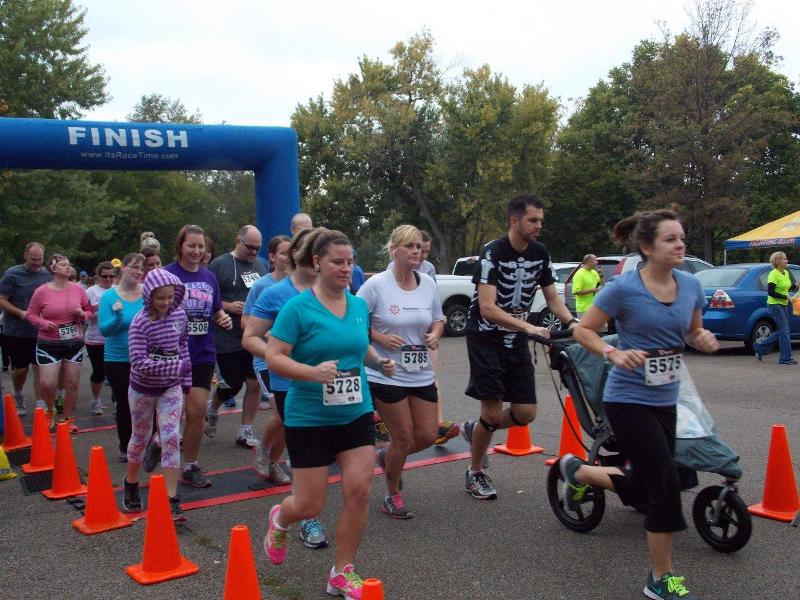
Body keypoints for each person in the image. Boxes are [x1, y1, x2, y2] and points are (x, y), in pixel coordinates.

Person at [565, 209, 719, 600]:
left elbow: (693, 330)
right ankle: (660, 578)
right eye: (670, 239)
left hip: (666, 399)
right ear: (647, 248)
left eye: (681, 237)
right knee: (666, 483)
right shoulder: (623, 289)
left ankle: (579, 473)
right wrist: (612, 353)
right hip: (626, 400)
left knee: (645, 484)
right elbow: (583, 330)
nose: (680, 244)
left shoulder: (690, 286)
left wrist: (701, 338)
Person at [263, 229, 395, 599]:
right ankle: (281, 518)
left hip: (355, 411)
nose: (346, 268)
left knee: (359, 490)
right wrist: (310, 372)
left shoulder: (357, 305)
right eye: (338, 261)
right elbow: (273, 356)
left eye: (350, 262)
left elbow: (359, 345)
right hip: (309, 417)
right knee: (310, 504)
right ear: (317, 262)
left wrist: (378, 362)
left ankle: (341, 571)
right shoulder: (297, 308)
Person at [461, 194, 577, 500]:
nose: (539, 225)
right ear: (514, 221)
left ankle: (476, 430)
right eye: (532, 220)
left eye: (541, 220)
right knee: (492, 412)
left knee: (525, 413)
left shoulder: (540, 252)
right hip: (485, 338)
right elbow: (487, 308)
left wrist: (572, 322)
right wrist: (529, 327)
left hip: (516, 340)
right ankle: (475, 472)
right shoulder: (493, 252)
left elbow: (552, 298)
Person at [243, 229, 330, 549]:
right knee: (303, 447)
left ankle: (274, 460)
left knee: (322, 448)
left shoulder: (336, 289)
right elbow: (250, 335)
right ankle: (308, 516)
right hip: (288, 382)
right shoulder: (274, 292)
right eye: (312, 252)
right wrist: (279, 356)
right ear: (298, 254)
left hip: (330, 382)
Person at [357, 225, 444, 519]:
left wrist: (435, 334)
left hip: (420, 371)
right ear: (394, 250)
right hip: (385, 372)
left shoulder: (428, 284)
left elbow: (438, 318)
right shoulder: (376, 285)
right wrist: (380, 338)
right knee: (403, 436)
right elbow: (354, 321)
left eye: (419, 247)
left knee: (428, 435)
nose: (416, 251)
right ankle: (392, 494)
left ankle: (387, 456)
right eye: (410, 246)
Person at [164, 225, 232, 488]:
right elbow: (150, 311)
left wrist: (223, 318)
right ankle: (162, 453)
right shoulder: (166, 275)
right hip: (170, 353)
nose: (196, 251)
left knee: (197, 410)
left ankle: (190, 466)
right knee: (173, 412)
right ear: (180, 246)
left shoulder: (208, 277)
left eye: (201, 246)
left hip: (202, 352)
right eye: (191, 245)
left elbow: (216, 310)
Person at [122, 268, 191, 522]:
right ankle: (131, 482)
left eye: (170, 297)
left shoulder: (179, 316)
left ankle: (172, 499)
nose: (165, 302)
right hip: (142, 388)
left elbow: (182, 346)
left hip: (170, 387)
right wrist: (176, 367)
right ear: (149, 296)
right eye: (160, 298)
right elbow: (139, 363)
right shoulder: (140, 323)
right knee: (139, 437)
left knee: (171, 436)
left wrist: (186, 380)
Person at [205, 225, 268, 447]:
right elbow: (205, 298)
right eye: (250, 247)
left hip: (253, 335)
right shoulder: (219, 265)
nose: (254, 252)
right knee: (231, 384)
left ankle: (245, 430)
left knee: (254, 383)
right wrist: (229, 306)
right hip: (226, 336)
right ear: (238, 241)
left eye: (258, 248)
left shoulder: (261, 265)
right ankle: (213, 408)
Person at [26, 254, 92, 429]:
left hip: (74, 342)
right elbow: (31, 314)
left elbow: (89, 311)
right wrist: (44, 324)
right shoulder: (41, 291)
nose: (67, 267)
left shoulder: (78, 289)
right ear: (53, 268)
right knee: (47, 384)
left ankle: (67, 419)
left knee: (72, 384)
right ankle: (50, 410)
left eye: (68, 264)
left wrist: (83, 315)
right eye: (63, 265)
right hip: (49, 343)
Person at [99, 253, 145, 462]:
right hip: (118, 359)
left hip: (144, 357)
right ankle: (126, 446)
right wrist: (118, 317)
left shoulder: (147, 293)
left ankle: (148, 444)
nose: (139, 272)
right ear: (123, 267)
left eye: (141, 268)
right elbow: (104, 330)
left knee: (147, 402)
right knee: (125, 403)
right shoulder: (110, 297)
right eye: (135, 267)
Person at [0, 242, 51, 416]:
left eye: (40, 259)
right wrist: (20, 313)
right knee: (20, 369)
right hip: (17, 331)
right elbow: (2, 299)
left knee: (40, 366)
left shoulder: (46, 274)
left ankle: (40, 404)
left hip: (40, 331)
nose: (37, 263)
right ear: (25, 256)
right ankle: (19, 394)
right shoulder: (12, 274)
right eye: (33, 259)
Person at [753, 251, 799, 365]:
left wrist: (795, 285)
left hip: (783, 304)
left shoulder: (786, 273)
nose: (786, 260)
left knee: (782, 330)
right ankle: (785, 358)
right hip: (774, 305)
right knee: (784, 330)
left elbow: (785, 288)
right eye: (784, 258)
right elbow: (771, 292)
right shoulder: (773, 274)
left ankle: (759, 346)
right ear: (777, 261)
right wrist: (786, 297)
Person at [84, 261, 116, 415]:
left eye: (111, 276)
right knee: (99, 372)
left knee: (116, 372)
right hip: (95, 338)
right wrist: (93, 310)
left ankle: (117, 401)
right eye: (105, 276)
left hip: (114, 338)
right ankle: (96, 400)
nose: (108, 279)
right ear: (98, 277)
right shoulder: (90, 292)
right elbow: (84, 316)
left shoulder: (118, 290)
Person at [572, 254, 602, 319]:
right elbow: (576, 291)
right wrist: (591, 290)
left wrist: (601, 274)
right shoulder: (579, 274)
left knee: (602, 326)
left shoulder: (594, 272)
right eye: (595, 260)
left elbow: (601, 284)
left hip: (596, 307)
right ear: (589, 262)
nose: (597, 262)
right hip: (584, 309)